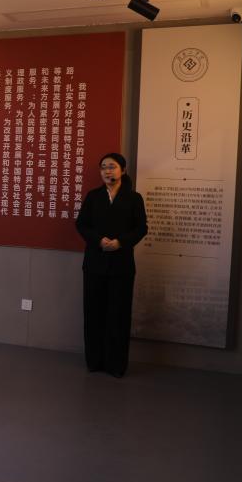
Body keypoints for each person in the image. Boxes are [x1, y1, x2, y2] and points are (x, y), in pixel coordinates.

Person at [75, 152, 148, 378]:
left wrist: (121, 242)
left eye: (112, 167)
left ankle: (116, 365)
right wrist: (98, 240)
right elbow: (81, 224)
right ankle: (94, 361)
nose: (108, 171)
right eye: (104, 167)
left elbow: (141, 228)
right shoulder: (93, 196)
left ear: (123, 170)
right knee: (93, 313)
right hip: (95, 263)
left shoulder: (134, 198)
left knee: (119, 315)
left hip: (121, 264)